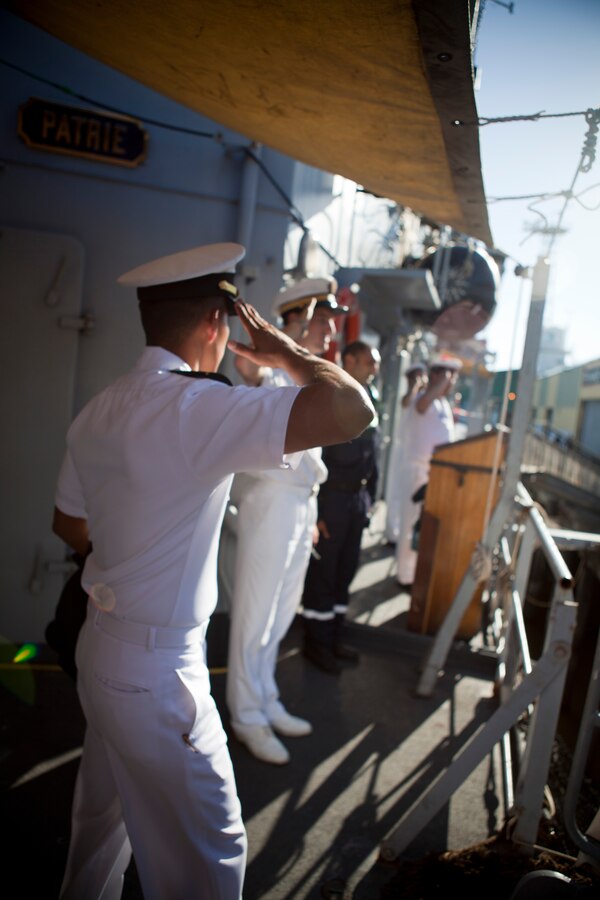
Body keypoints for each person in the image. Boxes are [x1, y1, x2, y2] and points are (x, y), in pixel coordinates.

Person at [52, 242, 374, 900]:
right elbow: (352, 412)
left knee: (99, 833)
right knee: (210, 857)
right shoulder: (199, 409)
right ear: (214, 325)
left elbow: (68, 524)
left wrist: (127, 562)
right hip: (161, 673)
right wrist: (287, 354)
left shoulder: (98, 408)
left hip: (100, 648)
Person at [226, 277, 344, 765]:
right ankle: (246, 714)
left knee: (280, 611)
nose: (330, 334)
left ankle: (266, 697)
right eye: (322, 322)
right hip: (270, 502)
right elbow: (248, 374)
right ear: (295, 321)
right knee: (254, 613)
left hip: (300, 504)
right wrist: (266, 352)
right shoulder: (270, 370)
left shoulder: (308, 377)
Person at [301, 340, 380, 675]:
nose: (375, 368)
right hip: (332, 500)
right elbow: (316, 457)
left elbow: (373, 457)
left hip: (356, 503)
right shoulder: (332, 394)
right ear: (349, 360)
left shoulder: (368, 397)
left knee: (344, 574)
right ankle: (315, 645)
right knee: (324, 575)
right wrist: (316, 512)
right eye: (369, 362)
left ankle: (334, 638)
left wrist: (370, 500)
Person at [394, 354, 461, 590]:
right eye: (449, 376)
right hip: (418, 472)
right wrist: (440, 381)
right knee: (411, 522)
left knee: (424, 527)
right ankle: (404, 576)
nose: (452, 382)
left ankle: (415, 573)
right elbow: (422, 405)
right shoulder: (424, 399)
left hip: (436, 474)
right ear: (437, 376)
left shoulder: (442, 403)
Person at [384, 362, 427, 544]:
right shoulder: (409, 396)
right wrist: (415, 386)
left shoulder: (425, 398)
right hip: (402, 451)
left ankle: (404, 532)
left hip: (414, 454)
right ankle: (392, 532)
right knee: (395, 490)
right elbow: (406, 401)